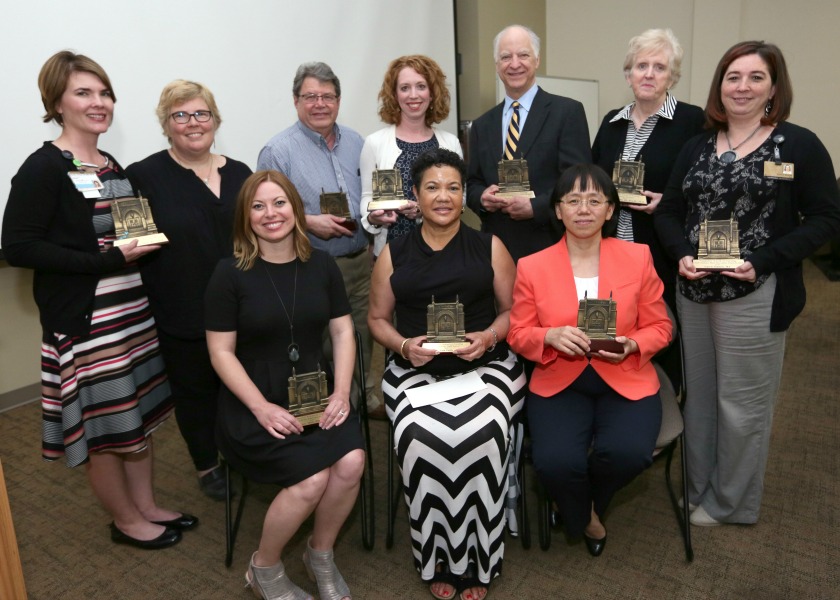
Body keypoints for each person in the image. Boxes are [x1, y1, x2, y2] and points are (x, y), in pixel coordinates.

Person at [1, 51, 195, 549]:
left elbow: (123, 233)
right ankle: (127, 521)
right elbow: (19, 247)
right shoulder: (44, 168)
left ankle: (147, 506)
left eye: (104, 92)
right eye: (84, 93)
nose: (99, 102)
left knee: (140, 415)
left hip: (131, 316)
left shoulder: (111, 165)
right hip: (88, 323)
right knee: (108, 426)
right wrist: (109, 261)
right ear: (57, 103)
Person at [654, 41, 840, 527]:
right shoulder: (697, 144)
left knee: (741, 404)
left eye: (755, 77)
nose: (742, 87)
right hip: (693, 290)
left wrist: (762, 261)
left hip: (755, 292)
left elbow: (825, 218)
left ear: (773, 88)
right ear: (720, 85)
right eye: (733, 76)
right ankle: (700, 487)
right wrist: (681, 255)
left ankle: (730, 502)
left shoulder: (798, 145)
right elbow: (671, 210)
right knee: (699, 396)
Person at [369, 148, 526, 600]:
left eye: (453, 188)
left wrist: (489, 339)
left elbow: (514, 311)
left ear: (464, 196)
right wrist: (402, 346)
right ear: (415, 196)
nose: (444, 197)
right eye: (432, 187)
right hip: (414, 370)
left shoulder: (489, 245)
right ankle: (438, 555)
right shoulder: (394, 252)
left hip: (487, 366)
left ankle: (480, 557)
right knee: (420, 437)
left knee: (484, 432)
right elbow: (377, 319)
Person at [205, 170, 364, 600]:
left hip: (319, 390)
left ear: (296, 209)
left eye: (279, 203)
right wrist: (261, 408)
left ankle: (320, 553)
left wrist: (342, 392)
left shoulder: (323, 265)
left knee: (350, 464)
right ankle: (265, 567)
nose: (270, 214)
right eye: (258, 206)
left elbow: (343, 333)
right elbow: (220, 353)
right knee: (311, 480)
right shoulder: (229, 274)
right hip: (253, 401)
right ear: (245, 217)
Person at [508, 164, 672, 557]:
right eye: (573, 200)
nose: (584, 209)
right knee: (553, 463)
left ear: (611, 210)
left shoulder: (638, 257)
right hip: (559, 378)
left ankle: (579, 507)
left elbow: (661, 326)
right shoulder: (532, 266)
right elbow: (517, 333)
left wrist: (632, 344)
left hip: (625, 375)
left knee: (630, 453)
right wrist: (548, 335)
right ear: (558, 210)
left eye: (595, 200)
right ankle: (586, 516)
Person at [126, 80, 252, 501]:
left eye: (201, 114)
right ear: (166, 125)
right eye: (180, 115)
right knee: (195, 392)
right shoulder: (142, 176)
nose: (193, 123)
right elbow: (134, 245)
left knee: (242, 384)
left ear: (215, 120)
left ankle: (242, 451)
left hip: (243, 305)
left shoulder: (240, 173)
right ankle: (207, 465)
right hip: (182, 307)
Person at [257, 62, 381, 416]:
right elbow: (264, 212)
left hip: (359, 261)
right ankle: (321, 408)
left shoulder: (357, 142)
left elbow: (368, 197)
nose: (320, 104)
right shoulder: (277, 151)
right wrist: (310, 222)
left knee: (360, 336)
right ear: (296, 101)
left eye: (327, 96)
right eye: (310, 96)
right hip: (309, 265)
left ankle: (358, 398)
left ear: (338, 101)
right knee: (317, 345)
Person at [592, 28, 704, 315]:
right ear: (629, 74)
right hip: (610, 247)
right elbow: (593, 180)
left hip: (662, 250)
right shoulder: (611, 123)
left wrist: (666, 202)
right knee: (612, 327)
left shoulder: (692, 121)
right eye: (641, 66)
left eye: (660, 67)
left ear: (672, 77)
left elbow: (706, 187)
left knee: (661, 328)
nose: (649, 74)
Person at [466, 24, 591, 262]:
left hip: (550, 243)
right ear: (496, 65)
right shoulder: (482, 125)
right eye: (506, 57)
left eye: (523, 55)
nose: (514, 64)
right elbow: (472, 183)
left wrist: (536, 207)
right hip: (496, 249)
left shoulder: (567, 112)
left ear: (537, 60)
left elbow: (578, 180)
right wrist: (482, 198)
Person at [360, 55, 463, 258]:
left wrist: (423, 210)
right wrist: (373, 218)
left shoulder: (451, 143)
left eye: (421, 86)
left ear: (433, 93)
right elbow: (367, 198)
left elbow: (461, 198)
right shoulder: (374, 143)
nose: (413, 95)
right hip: (392, 253)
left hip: (445, 250)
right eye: (405, 88)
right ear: (395, 94)